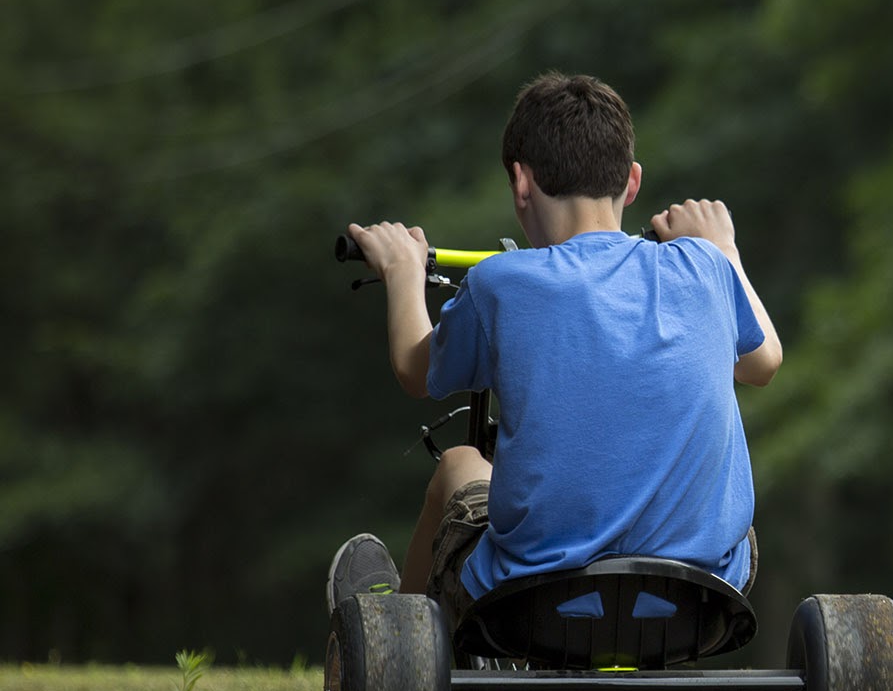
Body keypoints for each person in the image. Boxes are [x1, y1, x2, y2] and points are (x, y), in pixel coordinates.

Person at [327, 71, 781, 635]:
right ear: (632, 182)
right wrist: (726, 249)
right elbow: (763, 362)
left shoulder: (501, 284)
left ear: (521, 182)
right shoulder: (703, 266)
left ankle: (396, 636)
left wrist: (401, 272)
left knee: (457, 465)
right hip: (702, 594)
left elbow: (416, 372)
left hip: (533, 600)